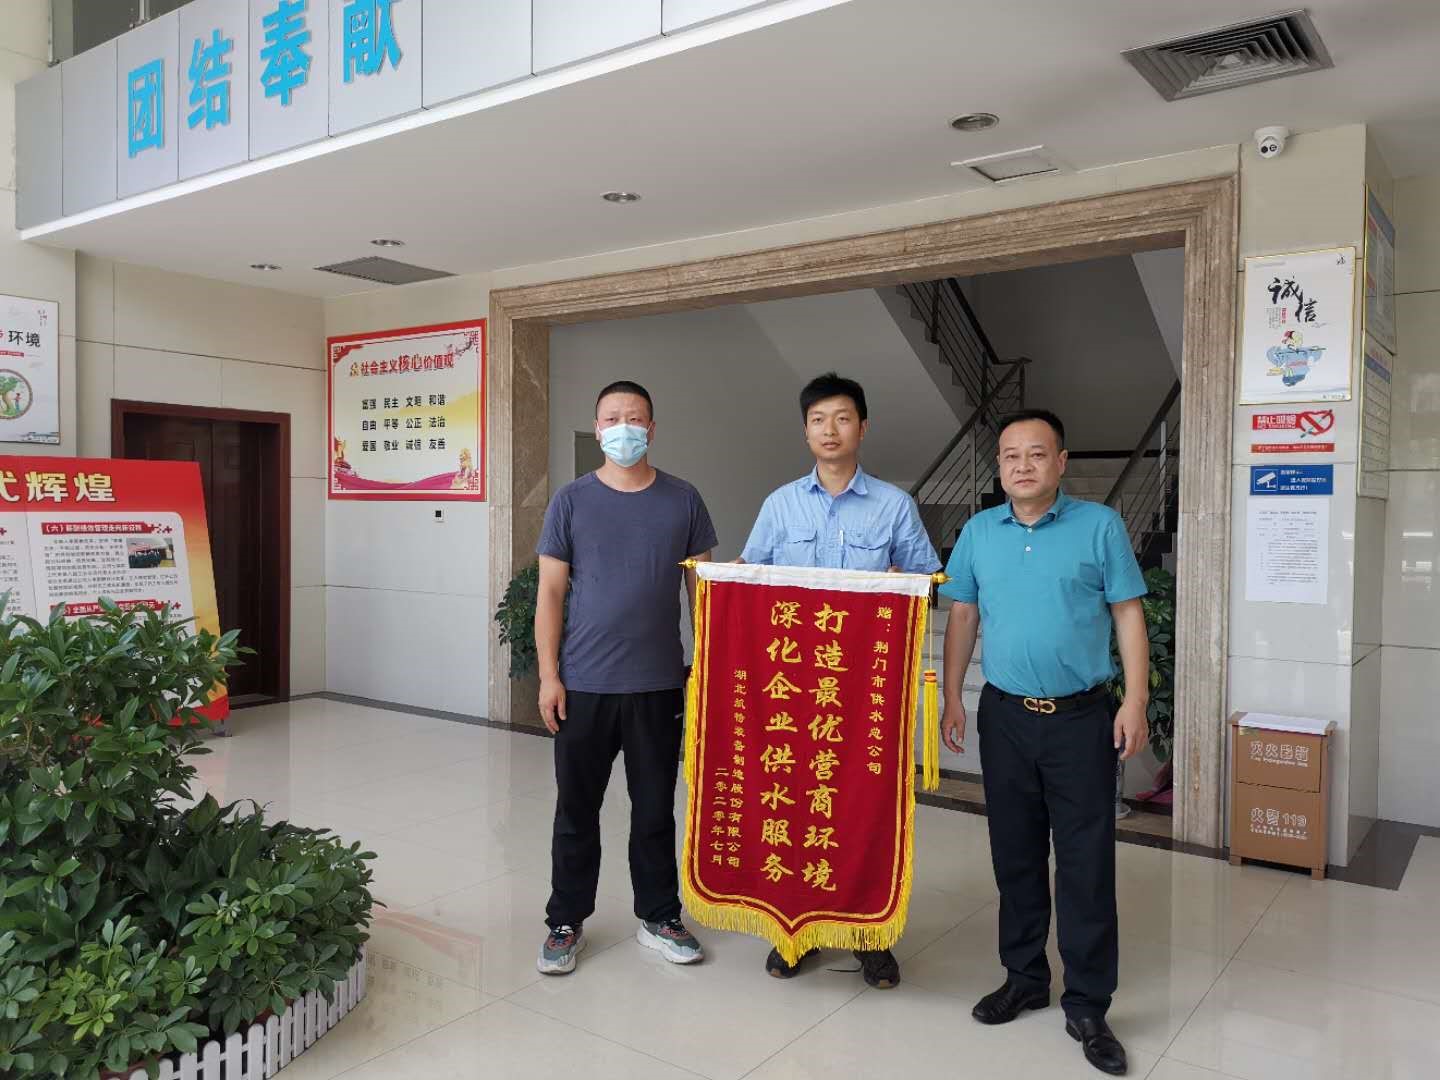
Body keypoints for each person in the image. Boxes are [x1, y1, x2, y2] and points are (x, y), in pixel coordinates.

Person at [938, 409, 1149, 1076]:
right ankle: (1024, 977)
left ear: (1061, 463)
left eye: (1036, 454)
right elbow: (963, 614)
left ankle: (1087, 1003)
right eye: (1010, 456)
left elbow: (1127, 611)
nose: (1022, 465)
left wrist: (1136, 700)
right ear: (999, 467)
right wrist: (951, 696)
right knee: (1016, 855)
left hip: (1081, 720)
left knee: (1085, 863)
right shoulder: (979, 532)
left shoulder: (1099, 526)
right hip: (1004, 717)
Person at [739, 371, 941, 989]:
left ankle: (867, 935)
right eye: (819, 419)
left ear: (863, 428)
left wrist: (901, 594)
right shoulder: (779, 505)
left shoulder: (894, 506)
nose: (831, 430)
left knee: (863, 811)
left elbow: (926, 585)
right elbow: (749, 584)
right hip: (790, 693)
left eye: (843, 418)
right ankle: (793, 931)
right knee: (792, 806)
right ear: (805, 431)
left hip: (864, 696)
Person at [534, 380, 718, 975]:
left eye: (634, 418)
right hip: (583, 685)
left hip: (658, 685)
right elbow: (550, 593)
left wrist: (709, 667)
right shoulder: (571, 501)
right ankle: (566, 921)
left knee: (655, 809)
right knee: (576, 811)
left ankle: (660, 916)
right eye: (612, 418)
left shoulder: (683, 500)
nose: (623, 428)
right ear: (597, 428)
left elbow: (703, 594)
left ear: (652, 429)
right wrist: (548, 676)